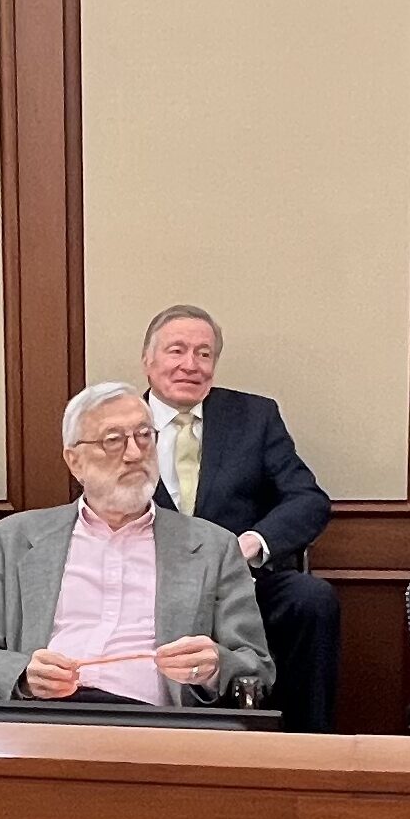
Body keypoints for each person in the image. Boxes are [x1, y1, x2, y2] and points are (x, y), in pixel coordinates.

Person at [0, 382, 272, 704]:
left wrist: (214, 666)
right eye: (113, 440)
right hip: (45, 718)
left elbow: (255, 664)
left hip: (154, 724)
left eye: (144, 436)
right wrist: (23, 675)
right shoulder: (14, 539)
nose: (134, 454)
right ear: (75, 461)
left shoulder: (214, 547)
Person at [138, 304, 341, 732]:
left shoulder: (254, 417)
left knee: (311, 599)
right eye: (177, 351)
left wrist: (252, 543)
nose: (191, 365)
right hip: (145, 589)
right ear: (148, 361)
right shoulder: (118, 421)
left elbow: (307, 500)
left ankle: (306, 745)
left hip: (240, 587)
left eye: (204, 354)